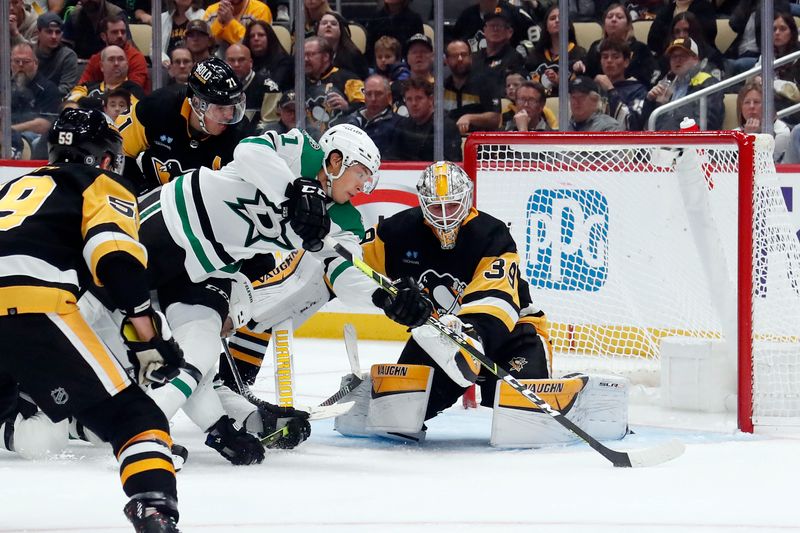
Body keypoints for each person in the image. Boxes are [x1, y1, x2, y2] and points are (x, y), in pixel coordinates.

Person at [134, 124, 381, 456]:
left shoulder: (346, 221)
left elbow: (345, 276)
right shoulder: (302, 150)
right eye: (361, 173)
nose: (363, 187)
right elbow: (248, 152)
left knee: (202, 348)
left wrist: (386, 299)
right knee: (101, 323)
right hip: (168, 221)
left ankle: (148, 429)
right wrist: (295, 192)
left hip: (209, 267)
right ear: (336, 160)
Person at [0, 107, 183, 531]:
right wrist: (148, 334)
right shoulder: (102, 182)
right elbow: (115, 258)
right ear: (104, 158)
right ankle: (154, 508)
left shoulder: (14, 186)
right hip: (32, 303)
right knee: (135, 418)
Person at [336, 161, 551, 439]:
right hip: (440, 341)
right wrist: (389, 299)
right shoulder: (397, 233)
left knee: (525, 424)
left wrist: (469, 333)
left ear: (467, 199)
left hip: (511, 337)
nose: (446, 216)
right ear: (423, 204)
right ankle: (379, 394)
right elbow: (351, 266)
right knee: (397, 417)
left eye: (452, 205)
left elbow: (497, 301)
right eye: (437, 207)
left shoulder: (491, 234)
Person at [116, 57, 246, 193]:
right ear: (197, 103)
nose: (230, 116)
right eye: (221, 108)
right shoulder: (157, 107)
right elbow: (119, 152)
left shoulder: (239, 134)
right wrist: (140, 193)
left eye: (232, 107)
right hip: (152, 201)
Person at [643, 37, 723, 131]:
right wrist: (651, 102)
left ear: (695, 58)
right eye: (673, 56)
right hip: (661, 142)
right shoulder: (665, 86)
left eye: (683, 55)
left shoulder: (709, 84)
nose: (677, 60)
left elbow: (707, 124)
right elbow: (644, 127)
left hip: (688, 142)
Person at [584, 3, 658, 87]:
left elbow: (652, 75)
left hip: (631, 93)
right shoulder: (596, 47)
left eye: (619, 17)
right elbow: (586, 75)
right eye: (610, 17)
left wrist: (634, 83)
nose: (614, 20)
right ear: (604, 24)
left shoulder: (640, 48)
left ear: (628, 25)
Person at [387, 78, 462, 161]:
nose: (414, 103)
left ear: (430, 100)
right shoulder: (402, 126)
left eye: (419, 98)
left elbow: (452, 163)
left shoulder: (446, 126)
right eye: (409, 99)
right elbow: (391, 158)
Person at [8, 42, 61, 159]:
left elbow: (45, 124)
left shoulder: (48, 88)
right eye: (16, 61)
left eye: (26, 62)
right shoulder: (4, 88)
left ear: (36, 63)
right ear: (11, 63)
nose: (21, 65)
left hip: (34, 138)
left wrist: (10, 130)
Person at [304, 36, 365, 134]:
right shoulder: (299, 81)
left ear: (325, 57)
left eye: (310, 54)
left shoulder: (348, 79)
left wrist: (347, 107)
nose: (305, 59)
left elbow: (365, 109)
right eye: (303, 55)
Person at [77, 13, 151, 95]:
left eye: (123, 32)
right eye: (115, 32)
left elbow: (133, 90)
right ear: (103, 36)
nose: (120, 36)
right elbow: (81, 87)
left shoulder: (136, 57)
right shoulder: (96, 59)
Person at [443, 39, 502, 136]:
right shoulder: (442, 86)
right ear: (447, 61)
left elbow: (495, 119)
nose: (460, 59)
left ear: (470, 57)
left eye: (464, 54)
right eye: (454, 56)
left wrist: (470, 118)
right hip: (449, 140)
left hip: (480, 142)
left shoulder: (487, 82)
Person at [524, 6, 587, 97]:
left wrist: (559, 82)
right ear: (546, 27)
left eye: (561, 18)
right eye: (552, 18)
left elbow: (582, 89)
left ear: (568, 25)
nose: (557, 21)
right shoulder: (535, 54)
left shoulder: (579, 54)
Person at [333, 74, 399, 156]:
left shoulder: (398, 124)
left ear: (388, 96)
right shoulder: (349, 122)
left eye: (378, 94)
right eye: (368, 94)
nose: (373, 99)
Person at [225, 43, 280, 136]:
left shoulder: (269, 87)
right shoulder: (218, 86)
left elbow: (270, 124)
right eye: (231, 60)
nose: (236, 64)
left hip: (256, 141)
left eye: (241, 60)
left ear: (251, 62)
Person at [593, 39, 648, 131]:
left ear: (626, 62)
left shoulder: (638, 90)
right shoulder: (593, 89)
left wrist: (610, 90)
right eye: (605, 57)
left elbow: (632, 124)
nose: (609, 61)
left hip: (623, 143)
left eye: (615, 57)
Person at [67, 45, 145, 105]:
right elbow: (71, 100)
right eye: (111, 59)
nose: (116, 63)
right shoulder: (86, 87)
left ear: (127, 64)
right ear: (101, 66)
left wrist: (88, 102)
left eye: (120, 59)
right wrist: (103, 103)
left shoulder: (134, 90)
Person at [736, 80, 790, 163]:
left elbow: (763, 165)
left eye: (756, 102)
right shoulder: (734, 134)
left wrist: (749, 138)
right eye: (747, 102)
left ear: (769, 106)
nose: (751, 106)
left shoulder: (782, 133)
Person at [453, 0, 535, 51]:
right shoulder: (466, 15)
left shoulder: (515, 13)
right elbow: (453, 41)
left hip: (508, 69)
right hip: (474, 71)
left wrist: (525, 50)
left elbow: (537, 39)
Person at [472, 6, 525, 83]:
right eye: (492, 25)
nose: (495, 29)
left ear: (509, 32)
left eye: (500, 26)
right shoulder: (475, 57)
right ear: (484, 31)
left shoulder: (514, 58)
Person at [647, 0, 717, 57]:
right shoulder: (666, 10)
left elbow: (706, 35)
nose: (681, 35)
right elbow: (652, 40)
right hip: (669, 56)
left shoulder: (705, 8)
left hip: (700, 56)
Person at [34, 12, 79, 99]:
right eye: (49, 32)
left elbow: (66, 89)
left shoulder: (68, 56)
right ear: (38, 32)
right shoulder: (28, 53)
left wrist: (41, 94)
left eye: (58, 32)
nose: (54, 36)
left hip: (55, 102)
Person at [203, 0, 272, 56]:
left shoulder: (260, 10)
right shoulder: (211, 11)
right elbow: (205, 46)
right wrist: (219, 22)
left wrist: (230, 21)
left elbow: (256, 47)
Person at [62, 0, 126, 60]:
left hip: (111, 62)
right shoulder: (74, 16)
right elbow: (65, 48)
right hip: (80, 64)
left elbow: (126, 47)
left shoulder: (116, 13)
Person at [316, 11, 369, 80]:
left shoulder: (353, 55)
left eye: (334, 24)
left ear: (341, 30)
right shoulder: (307, 54)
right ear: (317, 29)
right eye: (324, 23)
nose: (328, 25)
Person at [244, 19, 294, 91]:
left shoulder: (283, 62)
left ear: (269, 38)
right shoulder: (243, 61)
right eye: (252, 36)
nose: (256, 38)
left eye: (261, 35)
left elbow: (273, 87)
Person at [391, 32, 434, 115]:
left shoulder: (441, 87)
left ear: (432, 56)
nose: (419, 55)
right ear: (407, 58)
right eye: (414, 52)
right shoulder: (396, 87)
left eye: (424, 51)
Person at [159, 0, 206, 67]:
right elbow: (154, 49)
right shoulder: (162, 18)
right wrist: (164, 60)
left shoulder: (203, 16)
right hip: (167, 67)